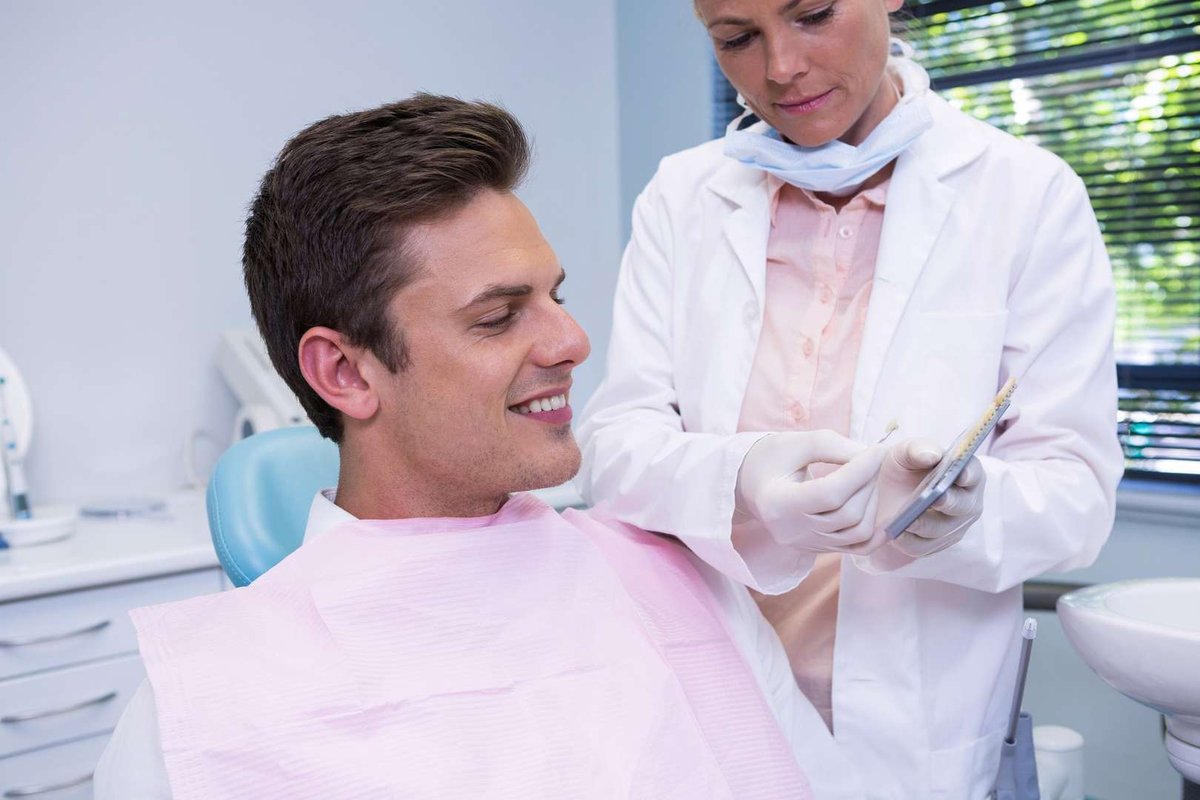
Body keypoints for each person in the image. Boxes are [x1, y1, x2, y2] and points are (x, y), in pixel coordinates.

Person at [93, 94, 855, 798]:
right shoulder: (200, 715)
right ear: (345, 373)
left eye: (555, 296)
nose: (572, 342)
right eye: (497, 318)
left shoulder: (679, 584)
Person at [575, 0, 1124, 797]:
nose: (781, 68)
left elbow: (1075, 496)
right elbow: (615, 446)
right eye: (736, 38)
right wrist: (743, 481)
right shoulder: (681, 197)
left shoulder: (1025, 196)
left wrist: (959, 512)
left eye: (813, 14)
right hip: (710, 693)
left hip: (916, 728)